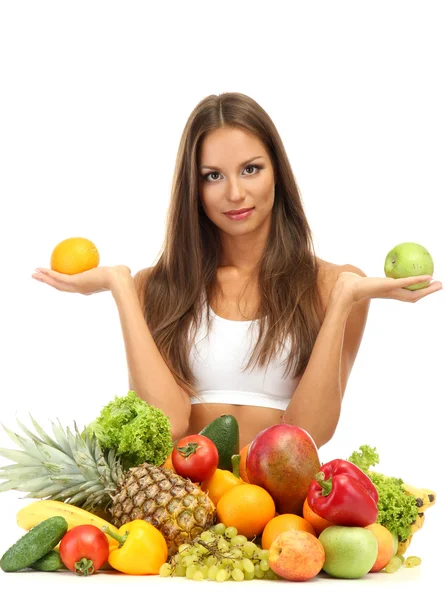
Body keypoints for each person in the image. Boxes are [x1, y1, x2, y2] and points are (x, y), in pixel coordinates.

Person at [31, 92, 442, 450]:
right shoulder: (156, 288)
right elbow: (169, 424)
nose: (235, 193)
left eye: (251, 169)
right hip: (182, 511)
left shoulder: (335, 285)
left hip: (282, 516)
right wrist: (119, 284)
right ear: (194, 188)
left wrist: (343, 302)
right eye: (213, 176)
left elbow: (309, 434)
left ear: (277, 170)